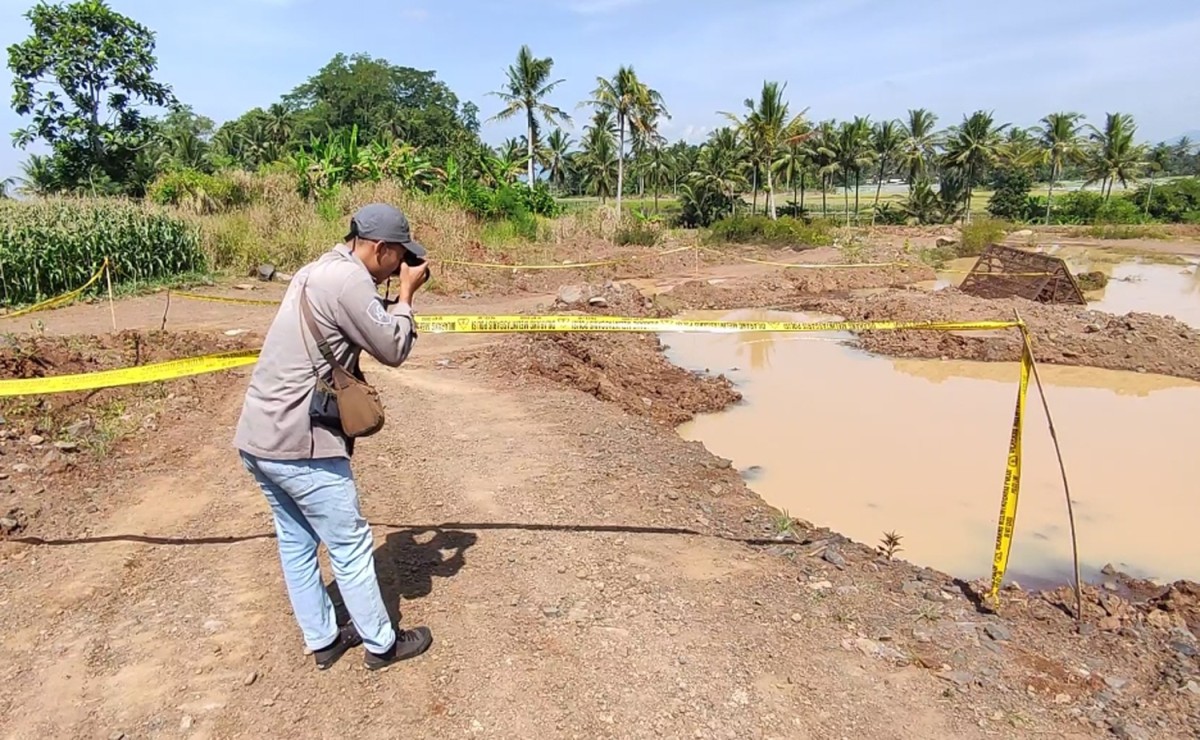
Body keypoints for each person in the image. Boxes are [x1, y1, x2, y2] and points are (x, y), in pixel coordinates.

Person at [233, 203, 434, 671]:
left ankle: (322, 638)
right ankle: (382, 645)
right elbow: (393, 347)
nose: (400, 265)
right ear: (380, 248)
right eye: (398, 257)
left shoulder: (317, 270)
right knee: (350, 544)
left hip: (259, 436)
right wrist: (406, 295)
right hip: (300, 442)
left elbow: (352, 324)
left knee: (295, 540)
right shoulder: (349, 281)